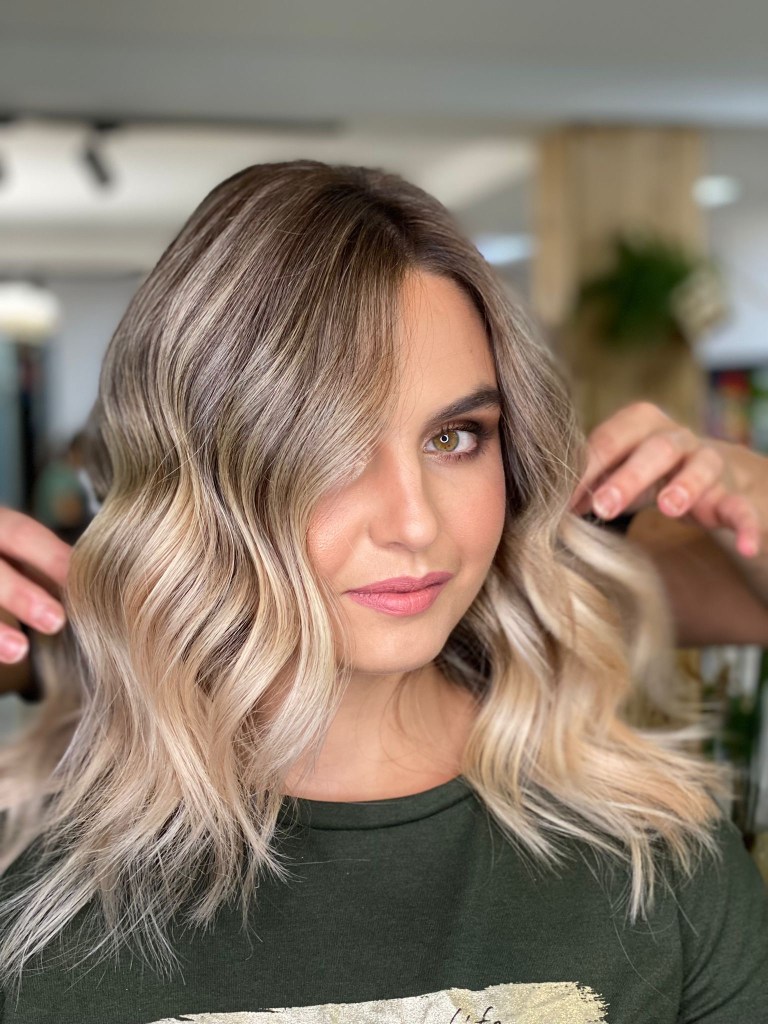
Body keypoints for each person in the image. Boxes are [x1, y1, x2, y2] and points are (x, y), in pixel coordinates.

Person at [0, 160, 765, 1023]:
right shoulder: (30, 874)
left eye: (455, 437)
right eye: (334, 445)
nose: (415, 523)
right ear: (201, 472)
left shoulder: (654, 852)